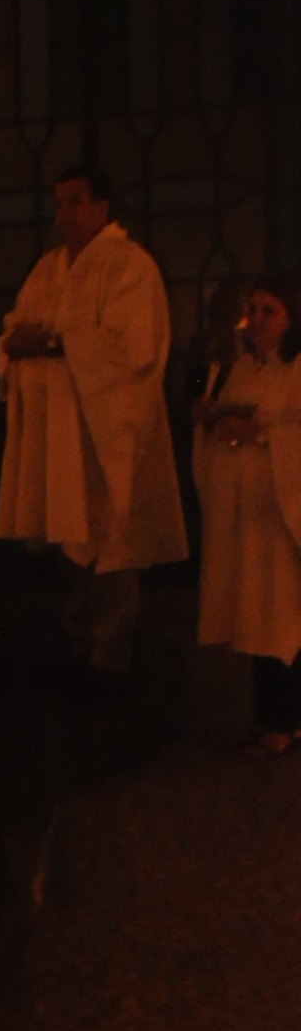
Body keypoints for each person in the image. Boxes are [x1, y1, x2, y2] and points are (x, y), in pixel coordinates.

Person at [0, 166, 187, 680]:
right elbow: (19, 323)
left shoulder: (130, 266)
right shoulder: (48, 269)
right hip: (59, 430)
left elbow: (131, 347)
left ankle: (112, 651)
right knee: (67, 527)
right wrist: (14, 343)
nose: (64, 214)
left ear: (102, 207)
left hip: (106, 428)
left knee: (110, 531)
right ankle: (79, 638)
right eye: (58, 203)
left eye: (75, 202)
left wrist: (54, 342)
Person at [194, 278, 301, 753]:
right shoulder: (240, 370)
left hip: (285, 515)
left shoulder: (297, 371)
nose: (255, 320)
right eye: (252, 310)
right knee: (257, 612)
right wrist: (213, 421)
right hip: (251, 515)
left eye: (268, 311)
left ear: (290, 319)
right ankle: (268, 714)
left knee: (285, 612)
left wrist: (262, 433)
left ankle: (290, 720)